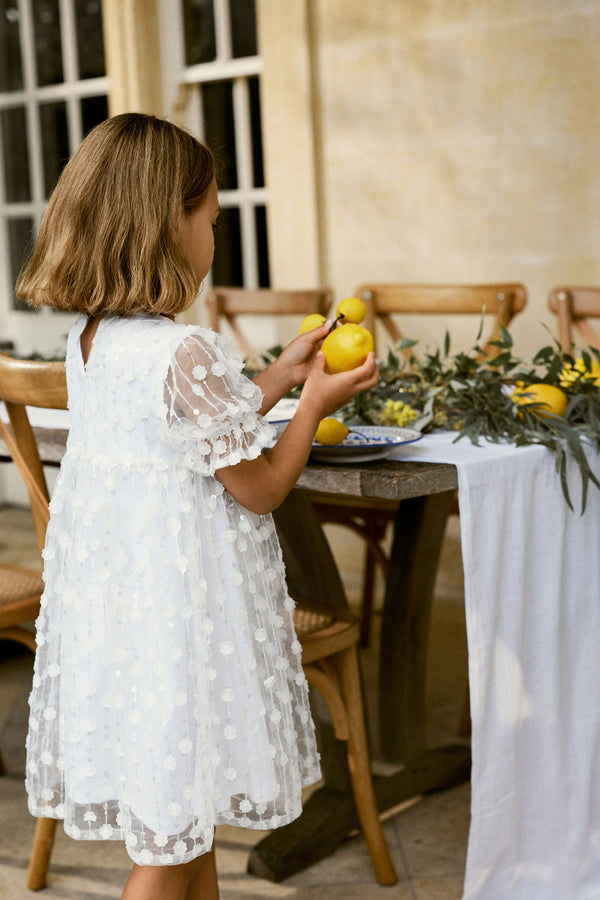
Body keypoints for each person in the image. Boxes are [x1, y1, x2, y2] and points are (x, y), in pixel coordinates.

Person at [17, 113, 379, 900]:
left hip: (126, 617)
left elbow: (193, 430)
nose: (214, 237)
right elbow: (260, 487)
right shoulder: (180, 350)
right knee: (167, 849)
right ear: (167, 225)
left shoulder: (93, 342)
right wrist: (315, 401)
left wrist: (279, 376)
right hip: (184, 624)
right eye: (210, 220)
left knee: (187, 819)